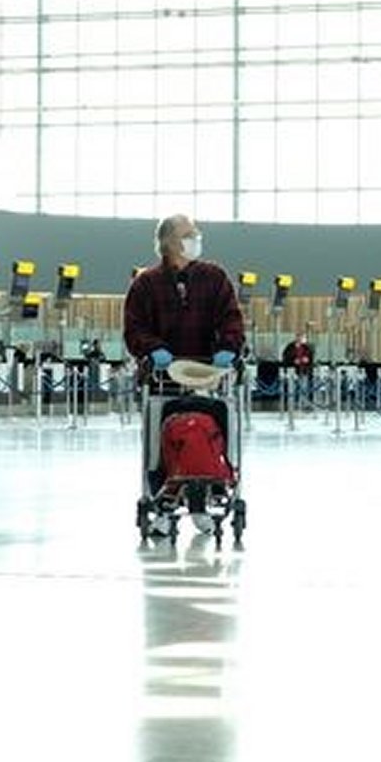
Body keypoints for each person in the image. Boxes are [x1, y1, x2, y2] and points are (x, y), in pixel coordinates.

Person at [124, 214, 246, 534]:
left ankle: (213, 489)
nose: (196, 238)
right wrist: (152, 350)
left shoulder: (214, 278)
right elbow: (134, 329)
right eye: (189, 234)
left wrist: (229, 348)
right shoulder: (146, 284)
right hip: (163, 379)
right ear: (169, 243)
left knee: (217, 426)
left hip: (209, 376)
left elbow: (231, 319)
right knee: (160, 439)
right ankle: (162, 498)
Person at [281, 332, 315, 408]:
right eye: (299, 337)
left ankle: (304, 402)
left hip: (304, 370)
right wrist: (293, 360)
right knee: (292, 388)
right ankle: (292, 403)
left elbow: (311, 356)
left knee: (304, 387)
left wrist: (307, 360)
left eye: (302, 337)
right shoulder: (290, 346)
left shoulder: (307, 347)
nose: (300, 339)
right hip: (293, 371)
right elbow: (285, 357)